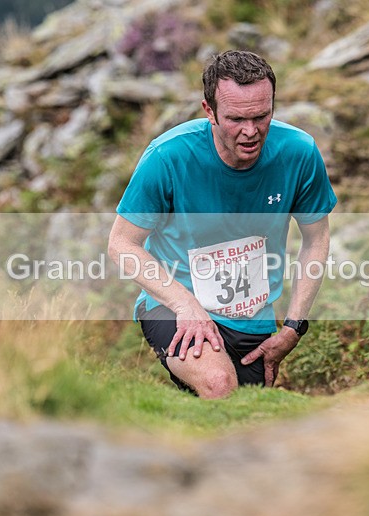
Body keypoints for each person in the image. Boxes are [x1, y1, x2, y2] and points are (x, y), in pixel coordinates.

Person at [108, 50, 336, 398]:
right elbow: (122, 244)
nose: (251, 131)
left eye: (262, 116)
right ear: (209, 111)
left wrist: (293, 327)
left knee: (247, 410)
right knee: (219, 384)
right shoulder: (167, 156)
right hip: (173, 304)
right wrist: (186, 305)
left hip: (252, 315)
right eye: (235, 119)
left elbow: (316, 240)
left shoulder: (299, 152)